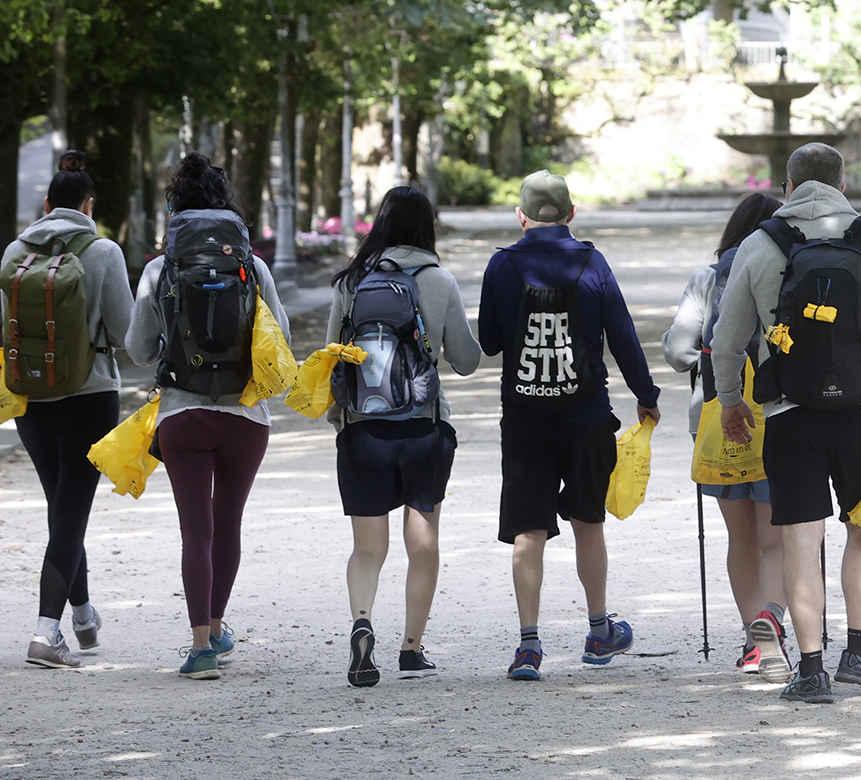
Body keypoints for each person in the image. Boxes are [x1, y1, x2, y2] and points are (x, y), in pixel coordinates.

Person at [711, 143, 861, 705]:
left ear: (787, 187)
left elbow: (727, 342)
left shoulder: (759, 246)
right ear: (842, 184)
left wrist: (733, 401)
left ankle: (810, 670)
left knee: (800, 542)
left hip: (788, 416)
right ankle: (859, 650)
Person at [478, 170, 660, 682]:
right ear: (572, 214)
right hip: (586, 417)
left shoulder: (501, 265)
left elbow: (491, 342)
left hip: (524, 421)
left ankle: (529, 647)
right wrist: (647, 397)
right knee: (588, 523)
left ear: (521, 216)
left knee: (528, 533)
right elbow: (623, 335)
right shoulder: (592, 261)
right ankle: (599, 631)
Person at [125, 153, 290, 680]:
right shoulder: (252, 265)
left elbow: (138, 351)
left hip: (182, 413)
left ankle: (200, 649)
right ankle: (218, 626)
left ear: (175, 211)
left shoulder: (160, 268)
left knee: (195, 530)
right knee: (229, 524)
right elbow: (278, 336)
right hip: (246, 414)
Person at [325, 186, 482, 686]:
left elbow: (333, 356)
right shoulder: (438, 280)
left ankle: (362, 621)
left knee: (367, 549)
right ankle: (411, 651)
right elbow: (466, 360)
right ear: (427, 227)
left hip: (362, 429)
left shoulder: (351, 282)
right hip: (421, 429)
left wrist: (339, 419)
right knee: (423, 543)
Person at [5, 152, 135, 669]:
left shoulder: (16, 250)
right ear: (89, 205)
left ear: (46, 204)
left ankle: (81, 613)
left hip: (31, 398)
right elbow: (127, 335)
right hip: (90, 396)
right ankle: (45, 634)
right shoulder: (103, 250)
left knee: (62, 507)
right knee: (72, 511)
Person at [661, 191, 790, 682]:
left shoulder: (707, 279)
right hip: (777, 417)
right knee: (775, 538)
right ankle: (772, 621)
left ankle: (751, 640)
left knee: (740, 537)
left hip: (717, 420)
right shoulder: (783, 269)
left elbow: (677, 351)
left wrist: (713, 365)